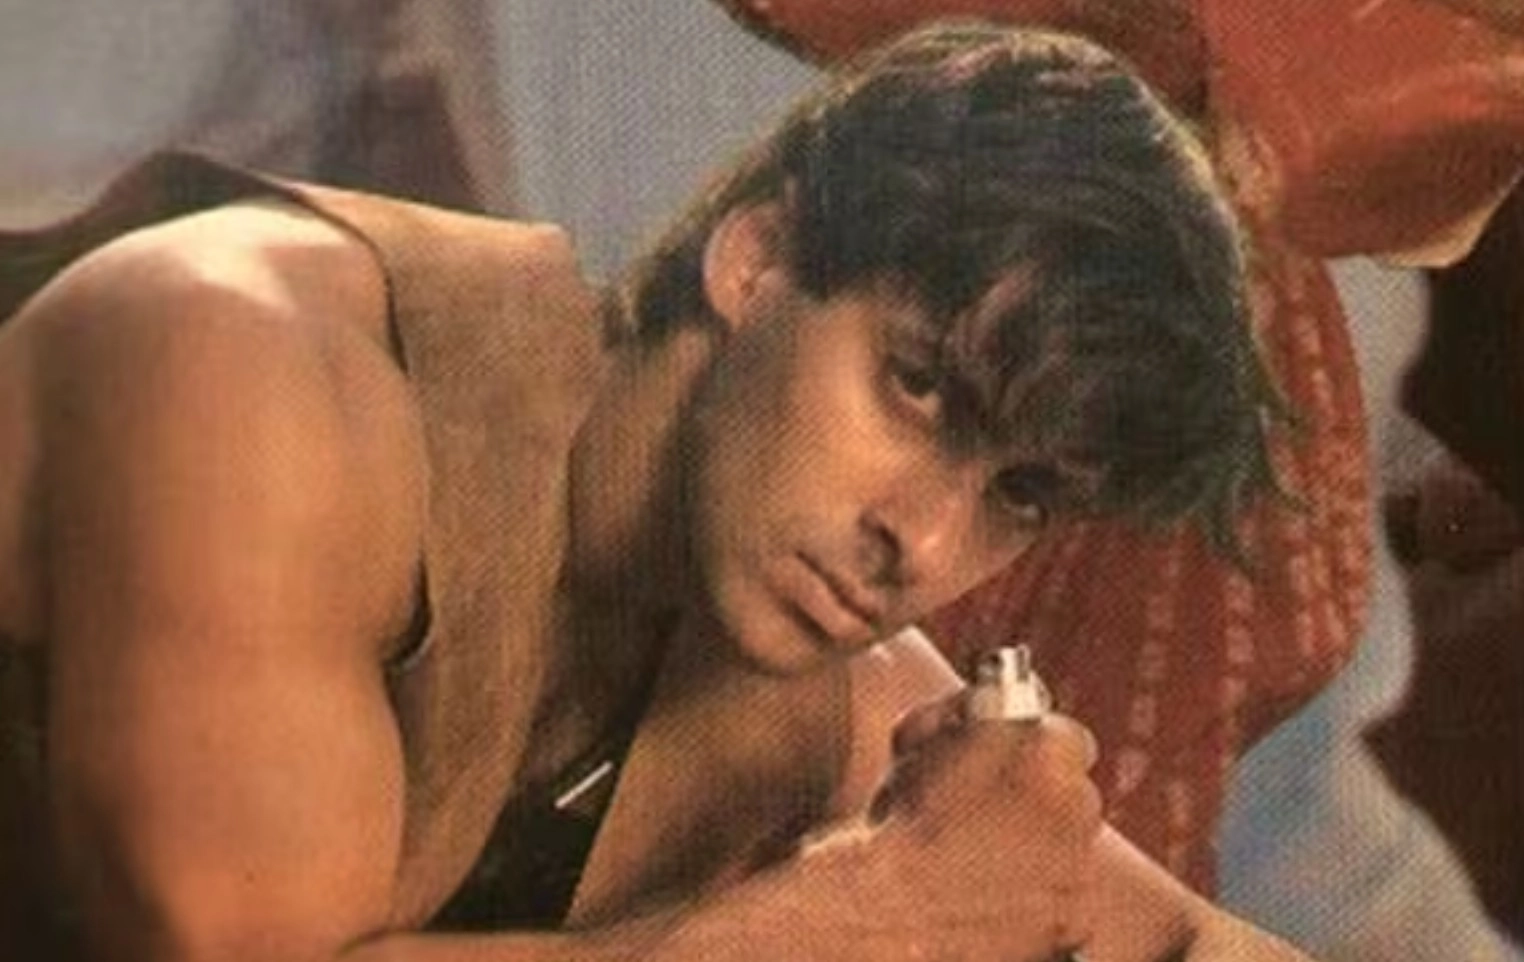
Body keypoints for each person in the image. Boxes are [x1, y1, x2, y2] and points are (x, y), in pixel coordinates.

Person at [0, 22, 1309, 962]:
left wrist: (1012, 873)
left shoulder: (823, 682)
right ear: (757, 257)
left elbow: (1195, 943)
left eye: (1016, 492)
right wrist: (872, 917)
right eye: (916, 387)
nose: (920, 540)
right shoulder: (248, 364)